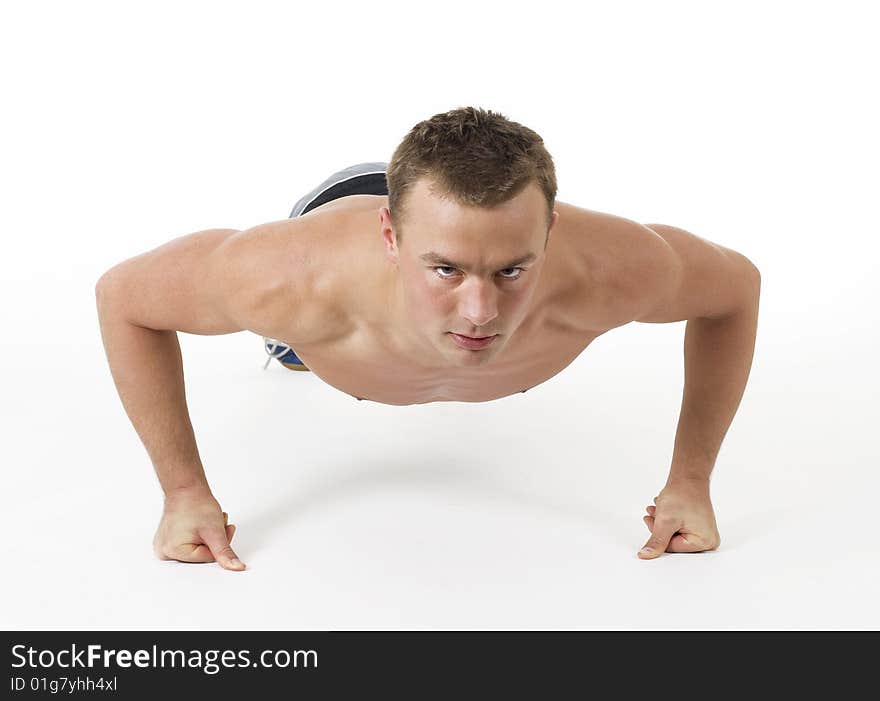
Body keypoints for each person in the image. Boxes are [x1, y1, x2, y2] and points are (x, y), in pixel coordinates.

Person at [95, 106, 761, 571]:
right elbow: (124, 298)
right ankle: (304, 337)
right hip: (335, 280)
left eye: (511, 270)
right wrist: (184, 494)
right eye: (446, 270)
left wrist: (691, 482)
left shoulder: (617, 269)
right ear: (391, 238)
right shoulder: (285, 282)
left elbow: (735, 292)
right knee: (288, 345)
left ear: (549, 233)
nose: (479, 311)